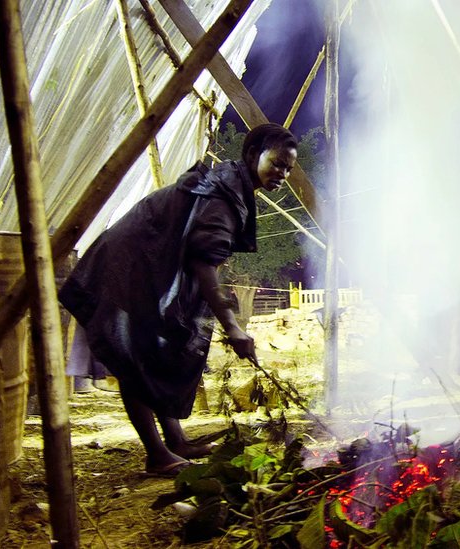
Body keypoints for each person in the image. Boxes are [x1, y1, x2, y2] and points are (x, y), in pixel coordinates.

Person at [58, 123, 298, 476]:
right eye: (277, 163)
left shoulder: (231, 186)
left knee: (156, 355)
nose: (282, 174)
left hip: (143, 270)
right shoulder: (222, 198)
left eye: (289, 168)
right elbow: (204, 266)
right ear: (252, 155)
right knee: (135, 361)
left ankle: (176, 441)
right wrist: (233, 328)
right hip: (125, 270)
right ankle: (157, 455)